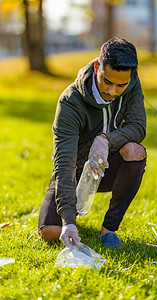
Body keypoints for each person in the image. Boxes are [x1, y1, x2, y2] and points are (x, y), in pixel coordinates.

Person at [38, 37, 147, 249]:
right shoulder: (70, 102)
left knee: (134, 150)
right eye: (107, 81)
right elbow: (64, 164)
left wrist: (106, 140)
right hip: (76, 173)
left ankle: (109, 230)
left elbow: (138, 126)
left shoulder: (132, 84)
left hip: (108, 167)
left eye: (120, 85)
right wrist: (68, 221)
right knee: (51, 232)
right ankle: (72, 216)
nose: (113, 91)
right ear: (97, 66)